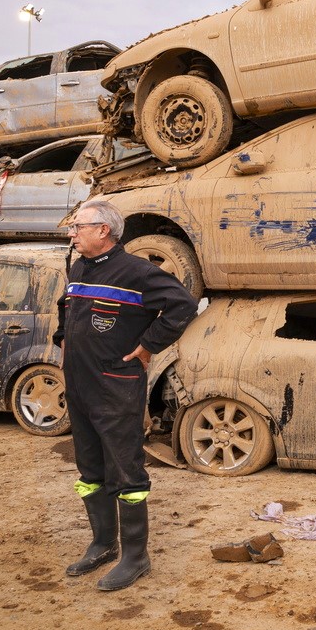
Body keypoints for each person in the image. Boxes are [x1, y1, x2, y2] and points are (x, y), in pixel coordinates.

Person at [53, 200, 197, 591]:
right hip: (79, 385)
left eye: (78, 226)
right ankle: (103, 544)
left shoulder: (137, 272)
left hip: (115, 387)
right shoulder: (79, 267)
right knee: (89, 469)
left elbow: (182, 305)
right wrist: (63, 338)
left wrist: (149, 345)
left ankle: (135, 556)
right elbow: (67, 306)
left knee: (125, 470)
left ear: (103, 230)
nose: (72, 233)